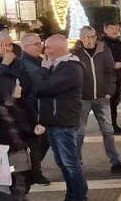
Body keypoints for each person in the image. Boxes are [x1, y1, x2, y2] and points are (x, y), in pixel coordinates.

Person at [0, 78, 43, 197]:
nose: (20, 88)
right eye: (17, 85)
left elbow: (31, 126)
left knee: (21, 187)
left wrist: (36, 130)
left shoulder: (23, 105)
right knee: (8, 187)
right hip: (3, 159)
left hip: (22, 157)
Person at [37, 34, 88, 201]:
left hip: (63, 122)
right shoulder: (58, 65)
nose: (45, 50)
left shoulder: (71, 67)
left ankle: (79, 196)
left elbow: (45, 88)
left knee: (70, 163)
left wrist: (44, 69)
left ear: (59, 48)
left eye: (48, 47)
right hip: (54, 122)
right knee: (62, 163)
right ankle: (72, 194)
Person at [72, 26, 121, 175]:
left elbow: (110, 71)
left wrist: (110, 91)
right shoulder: (76, 53)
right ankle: (76, 162)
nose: (90, 40)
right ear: (81, 38)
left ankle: (115, 162)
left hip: (102, 97)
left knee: (108, 131)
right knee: (79, 132)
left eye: (92, 36)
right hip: (83, 99)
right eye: (86, 37)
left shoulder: (103, 50)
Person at [18, 32, 50, 186]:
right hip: (31, 109)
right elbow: (38, 87)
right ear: (25, 47)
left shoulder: (38, 60)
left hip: (39, 108)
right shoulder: (25, 64)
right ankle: (34, 173)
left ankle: (33, 171)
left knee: (42, 141)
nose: (40, 46)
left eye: (40, 42)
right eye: (36, 44)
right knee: (37, 142)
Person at [101, 20, 121, 134]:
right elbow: (100, 61)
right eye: (112, 28)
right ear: (105, 29)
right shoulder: (102, 44)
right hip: (107, 78)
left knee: (115, 102)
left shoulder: (118, 42)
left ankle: (114, 124)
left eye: (117, 28)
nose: (115, 31)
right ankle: (109, 126)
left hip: (118, 76)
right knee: (108, 103)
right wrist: (112, 65)